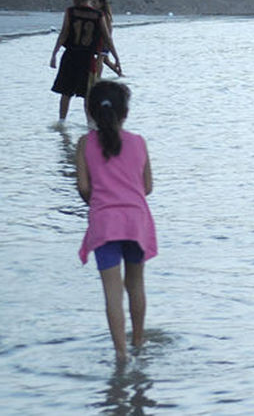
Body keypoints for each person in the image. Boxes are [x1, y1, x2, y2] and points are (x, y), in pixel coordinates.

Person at [75, 80, 157, 361]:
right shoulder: (138, 142)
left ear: (91, 112)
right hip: (136, 222)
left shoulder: (85, 144)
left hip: (105, 224)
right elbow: (147, 187)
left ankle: (121, 355)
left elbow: (84, 188)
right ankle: (138, 342)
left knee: (112, 292)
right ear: (125, 113)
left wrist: (101, 201)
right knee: (136, 285)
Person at [51, 0, 119, 123]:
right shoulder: (97, 15)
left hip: (70, 56)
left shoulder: (71, 12)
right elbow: (107, 38)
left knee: (66, 92)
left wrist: (54, 54)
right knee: (88, 95)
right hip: (88, 59)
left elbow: (63, 34)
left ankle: (61, 123)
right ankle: (90, 126)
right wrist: (117, 58)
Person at [92, 0, 123, 77]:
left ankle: (97, 79)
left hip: (103, 41)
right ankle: (120, 74)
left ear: (101, 4)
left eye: (95, 2)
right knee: (105, 60)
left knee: (100, 60)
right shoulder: (97, 14)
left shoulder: (104, 15)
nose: (93, 4)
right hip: (99, 40)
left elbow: (108, 31)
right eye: (92, 2)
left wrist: (108, 43)